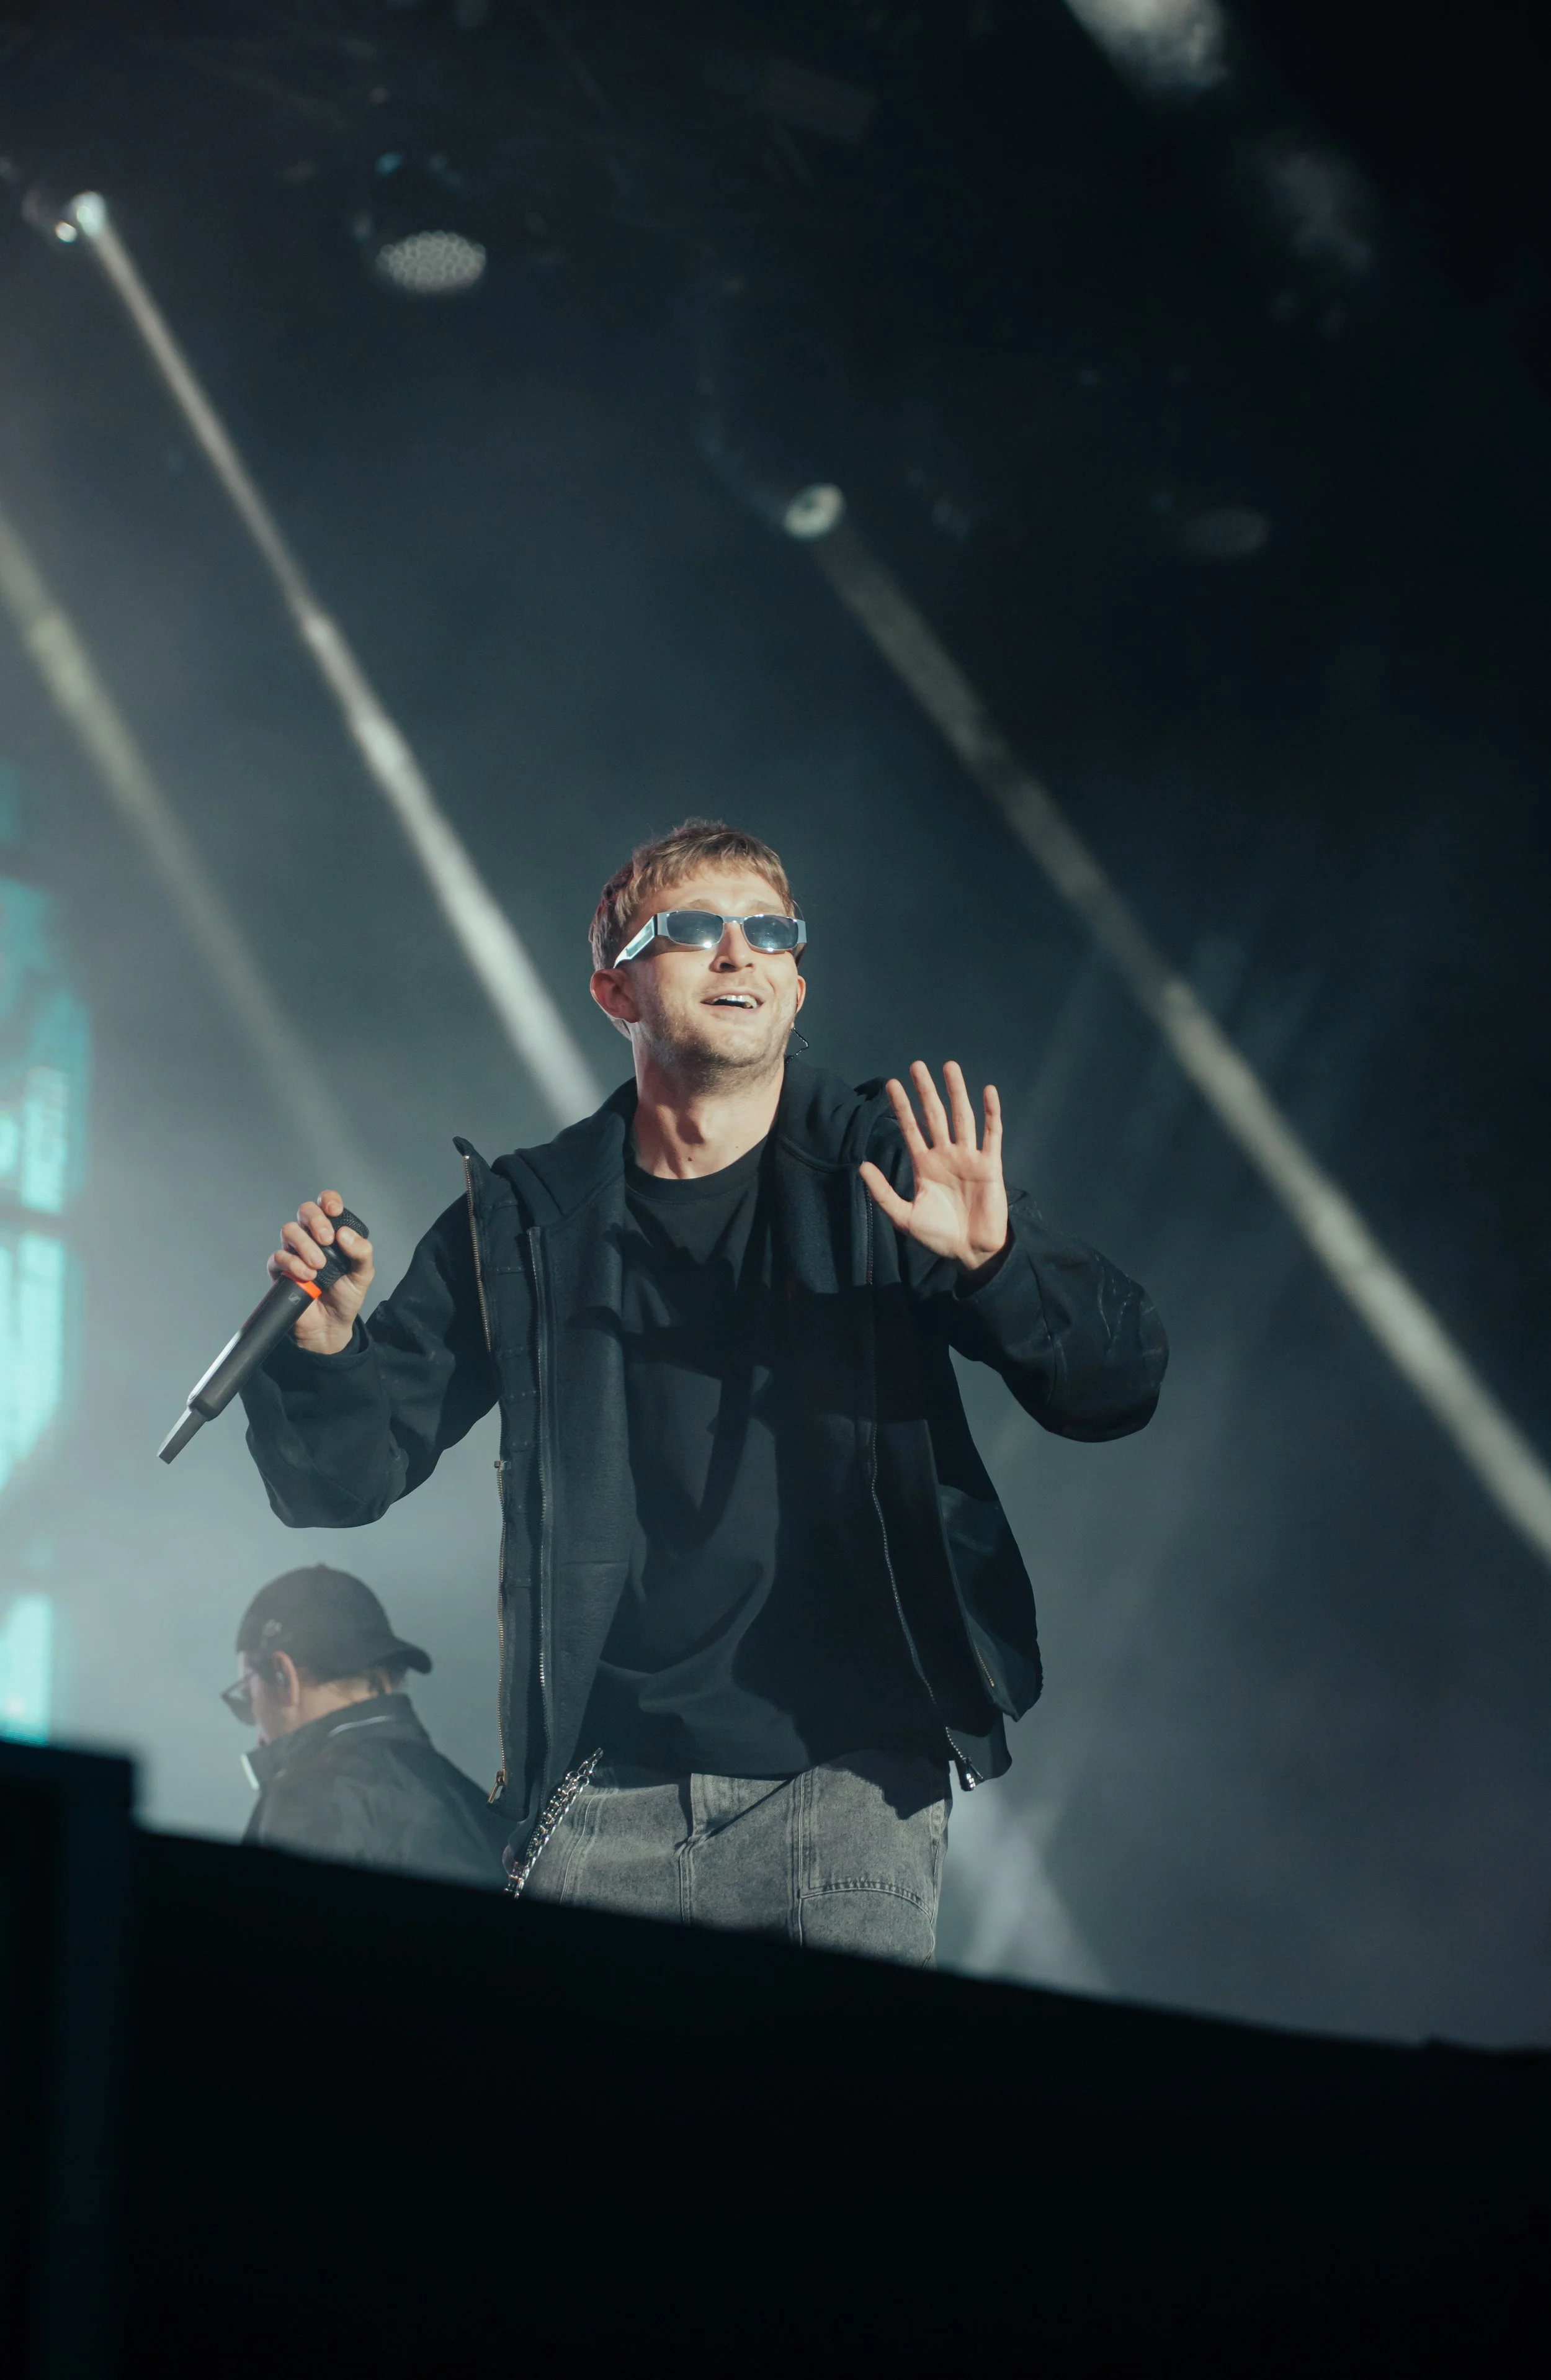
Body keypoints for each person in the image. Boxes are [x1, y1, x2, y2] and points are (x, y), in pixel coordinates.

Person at [241, 819, 1167, 1962]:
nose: (738, 953)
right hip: (603, 1791)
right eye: (691, 930)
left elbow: (1116, 1386)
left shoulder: (882, 1170)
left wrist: (998, 1265)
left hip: (851, 1787)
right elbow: (342, 1480)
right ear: (613, 991)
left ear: (795, 982)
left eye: (768, 931)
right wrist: (327, 1351)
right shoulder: (530, 1222)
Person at [224, 1563, 506, 1888]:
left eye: (248, 1695)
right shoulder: (481, 1807)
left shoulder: (308, 1800)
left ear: (283, 1674)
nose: (257, 1732)